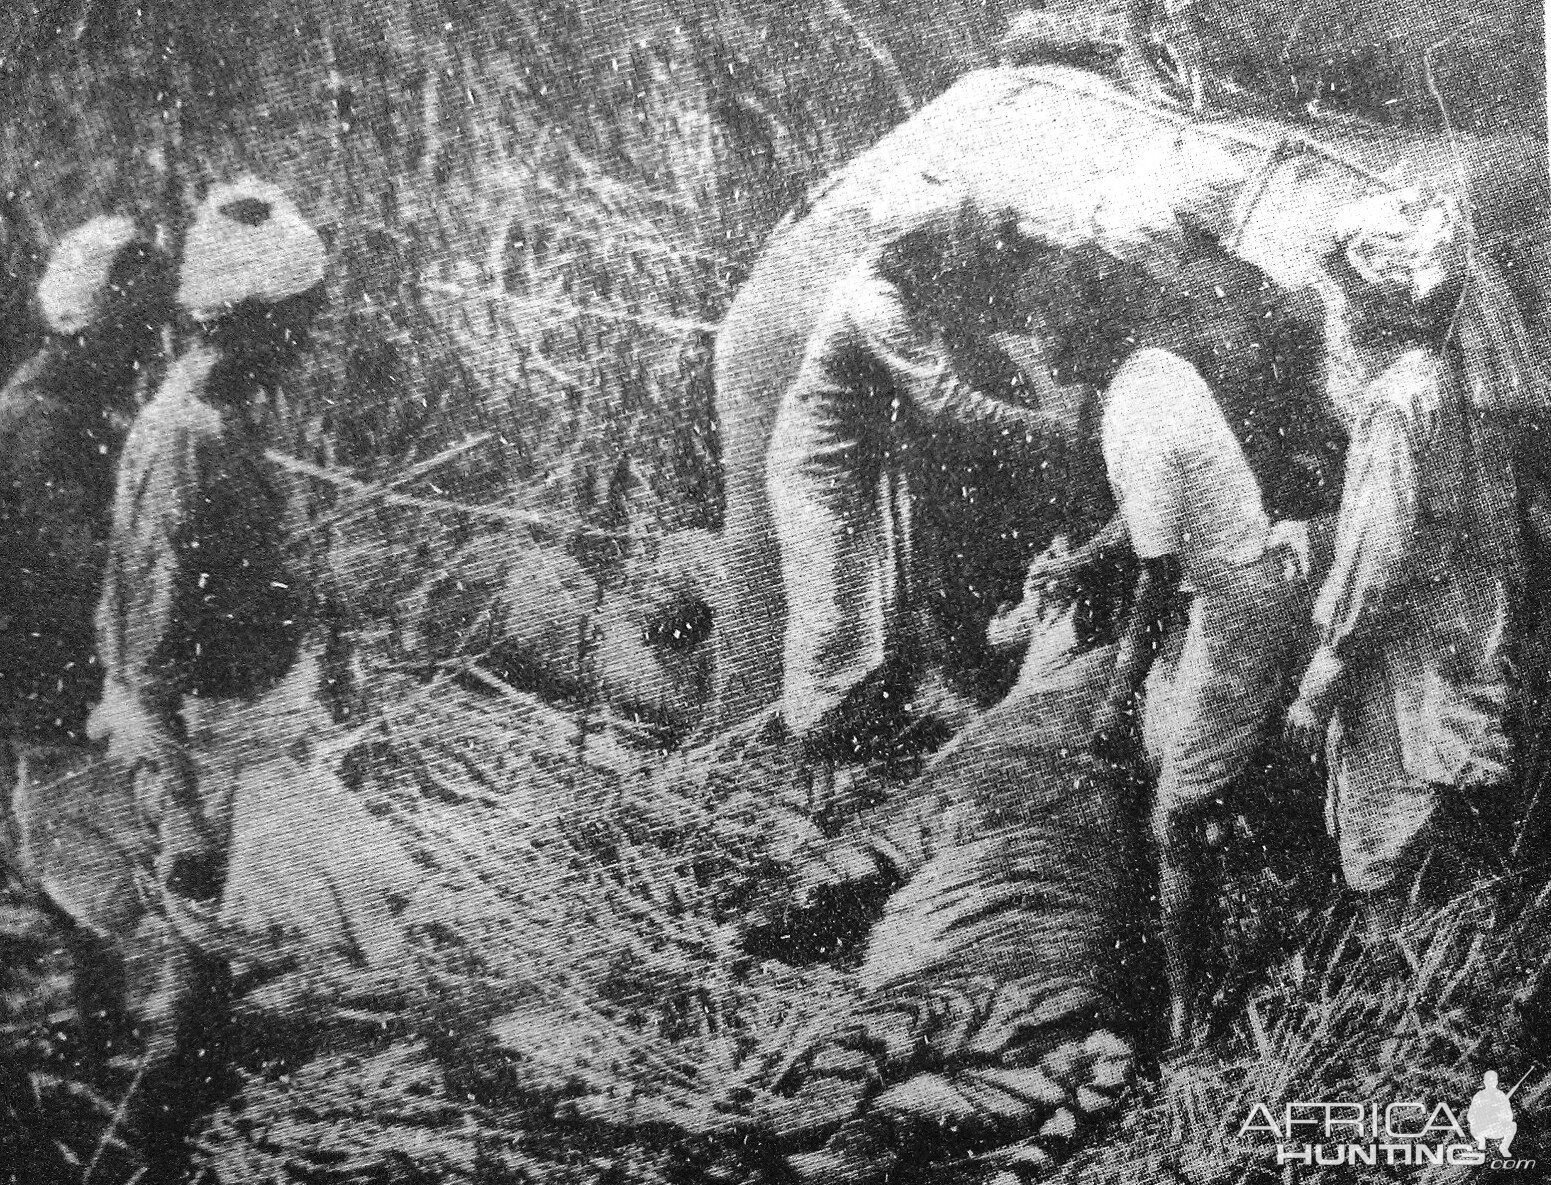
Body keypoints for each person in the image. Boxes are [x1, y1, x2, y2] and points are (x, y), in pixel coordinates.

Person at [90, 179, 414, 1084]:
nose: (308, 341)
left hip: (252, 735)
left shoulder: (223, 423)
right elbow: (150, 637)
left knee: (226, 972)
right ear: (246, 321)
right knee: (341, 931)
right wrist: (185, 815)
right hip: (214, 750)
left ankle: (188, 1098)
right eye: (297, 320)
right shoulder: (184, 439)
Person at [1030, 247, 1325, 1048]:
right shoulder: (1151, 371)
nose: (1039, 341)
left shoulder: (1137, 417)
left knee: (1175, 815)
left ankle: (1189, 1026)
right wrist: (1079, 560)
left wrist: (1113, 699)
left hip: (1237, 605)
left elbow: (1154, 584)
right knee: (1180, 765)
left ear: (1089, 330)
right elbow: (1145, 517)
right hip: (1228, 584)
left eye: (1049, 326)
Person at [1285, 187, 1519, 940]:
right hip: (1467, 621)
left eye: (1343, 296)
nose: (1337, 314)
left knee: (1384, 827)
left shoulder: (1398, 400)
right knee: (1455, 807)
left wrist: (1329, 658)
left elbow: (1380, 546)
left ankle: (1410, 995)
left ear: (1374, 301)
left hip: (1406, 643)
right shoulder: (1454, 379)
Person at [767, 202, 1061, 776]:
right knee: (831, 603)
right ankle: (815, 744)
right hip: (820, 464)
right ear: (905, 247)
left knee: (885, 595)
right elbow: (945, 400)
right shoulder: (874, 303)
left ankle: (866, 727)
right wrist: (1049, 431)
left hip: (867, 464)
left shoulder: (901, 296)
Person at [0, 215, 168, 864]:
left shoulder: (77, 410)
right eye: (134, 331)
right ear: (93, 326)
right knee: (101, 877)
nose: (144, 351)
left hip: (75, 684)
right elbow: (77, 568)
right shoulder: (40, 424)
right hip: (59, 698)